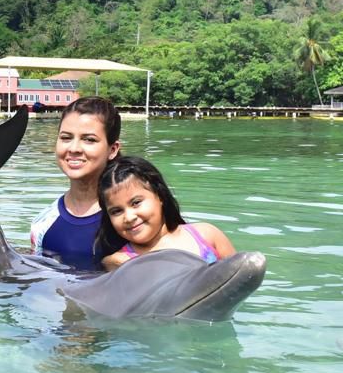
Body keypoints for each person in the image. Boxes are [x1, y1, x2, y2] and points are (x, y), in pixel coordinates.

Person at [96, 155, 235, 271]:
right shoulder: (119, 262)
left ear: (160, 196)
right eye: (117, 211)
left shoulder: (206, 235)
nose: (129, 217)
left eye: (136, 202)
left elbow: (242, 274)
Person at [29, 97, 122, 270]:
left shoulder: (131, 216)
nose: (74, 148)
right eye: (65, 138)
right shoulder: (43, 222)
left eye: (89, 140)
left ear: (113, 149)